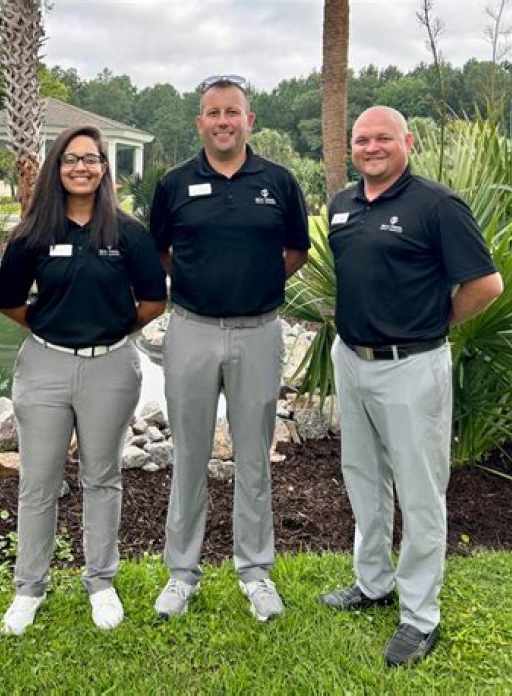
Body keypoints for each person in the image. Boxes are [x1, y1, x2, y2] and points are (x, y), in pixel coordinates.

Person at [319, 106, 503, 667]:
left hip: (412, 365)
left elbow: (486, 284)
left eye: (383, 138)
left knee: (420, 493)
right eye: (362, 140)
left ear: (408, 142)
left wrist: (434, 324)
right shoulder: (343, 205)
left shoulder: (437, 205)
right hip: (352, 359)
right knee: (363, 477)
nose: (371, 147)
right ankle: (373, 582)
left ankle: (420, 615)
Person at [0, 125, 166, 634]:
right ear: (57, 168)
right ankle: (29, 588)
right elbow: (9, 301)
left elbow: (153, 301)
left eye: (91, 159)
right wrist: (52, 327)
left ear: (104, 168)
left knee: (102, 477)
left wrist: (111, 329)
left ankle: (101, 582)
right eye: (70, 159)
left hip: (111, 368)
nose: (81, 167)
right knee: (39, 480)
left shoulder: (128, 233)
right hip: (44, 367)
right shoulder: (33, 233)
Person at [150, 75, 310, 621]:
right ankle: (181, 574)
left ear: (249, 120)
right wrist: (196, 283)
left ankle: (256, 572)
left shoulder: (279, 182)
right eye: (213, 112)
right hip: (191, 329)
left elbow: (296, 250)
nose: (223, 121)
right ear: (200, 122)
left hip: (259, 332)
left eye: (232, 112)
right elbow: (160, 251)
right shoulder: (174, 183)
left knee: (254, 457)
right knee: (189, 455)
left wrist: (256, 284)